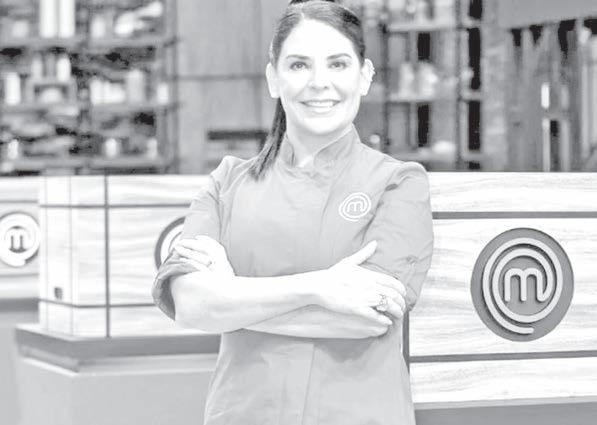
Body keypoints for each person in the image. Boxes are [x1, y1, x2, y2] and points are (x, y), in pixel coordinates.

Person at [152, 0, 434, 423]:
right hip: (246, 412)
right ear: (273, 78)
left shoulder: (399, 183)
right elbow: (191, 305)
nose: (319, 83)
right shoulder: (226, 183)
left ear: (365, 76)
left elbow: (369, 316)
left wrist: (232, 297)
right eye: (299, 65)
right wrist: (319, 288)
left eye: (338, 64)